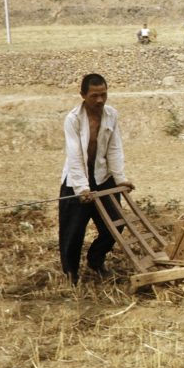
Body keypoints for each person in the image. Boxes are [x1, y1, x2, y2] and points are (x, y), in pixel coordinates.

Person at [58, 73, 134, 284]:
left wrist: (120, 179)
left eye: (103, 94)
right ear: (83, 95)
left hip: (102, 176)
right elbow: (74, 155)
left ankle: (96, 259)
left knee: (116, 225)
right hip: (75, 179)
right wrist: (82, 188)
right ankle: (70, 273)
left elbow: (115, 148)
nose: (100, 100)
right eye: (94, 96)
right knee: (72, 231)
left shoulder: (111, 115)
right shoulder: (73, 119)